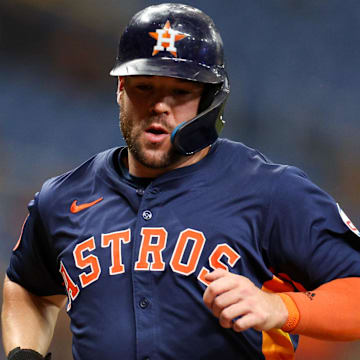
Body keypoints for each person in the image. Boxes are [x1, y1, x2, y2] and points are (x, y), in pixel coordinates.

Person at [2, 3, 360, 360]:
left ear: (210, 102)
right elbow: (27, 287)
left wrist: (281, 307)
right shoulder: (63, 197)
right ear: (120, 90)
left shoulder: (272, 192)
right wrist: (24, 353)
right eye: (145, 88)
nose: (159, 106)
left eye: (180, 92)